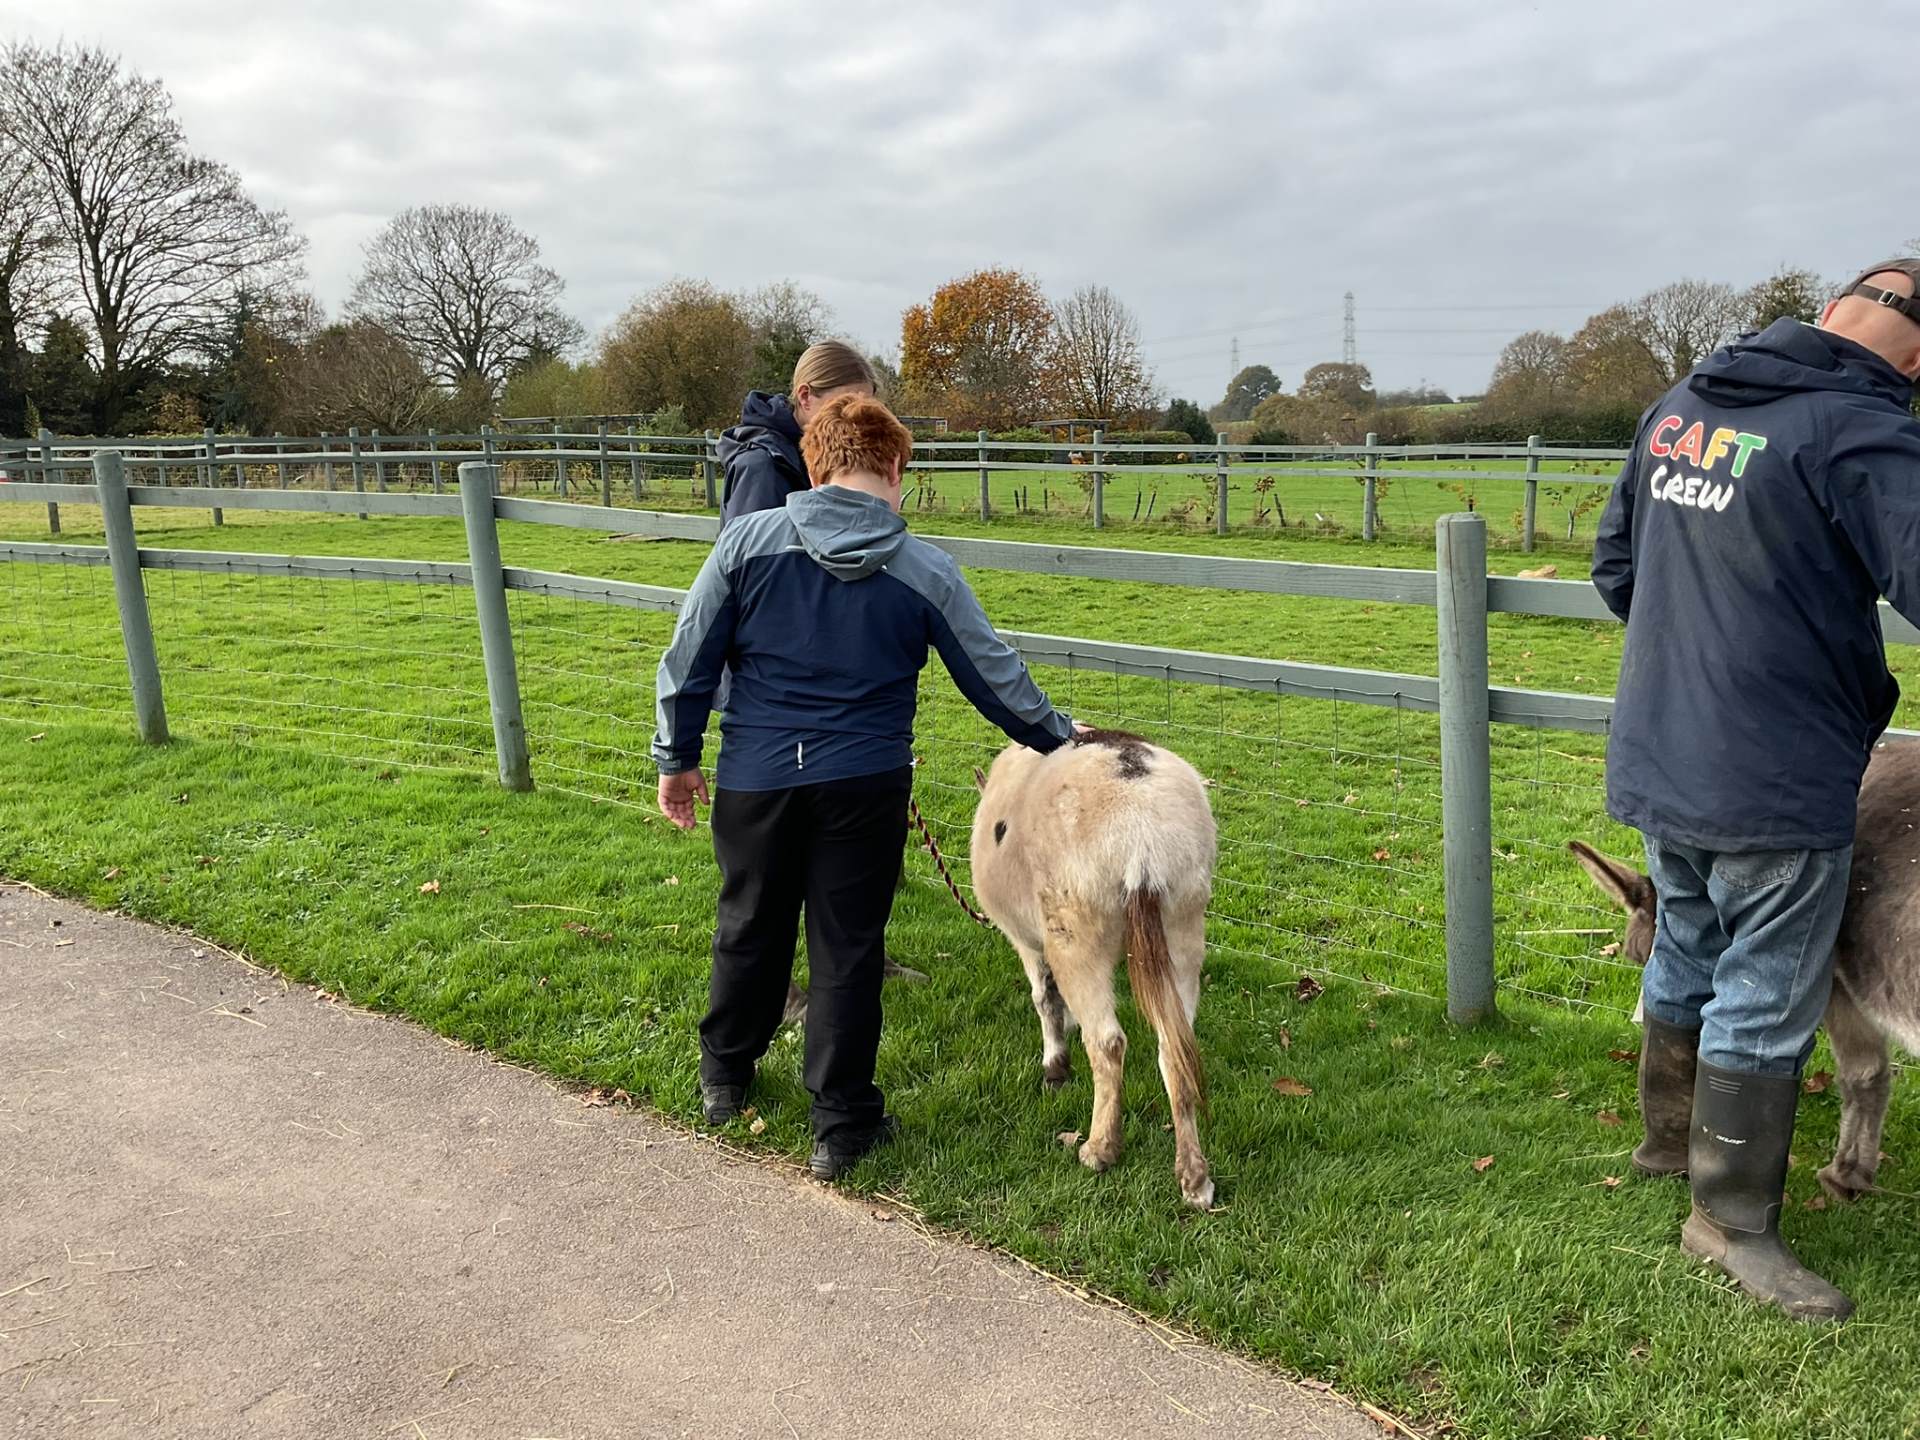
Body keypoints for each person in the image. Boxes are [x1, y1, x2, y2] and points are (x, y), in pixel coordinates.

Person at [1593, 259, 1920, 1322]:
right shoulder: (1859, 427)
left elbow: (1616, 568)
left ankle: (1666, 1143)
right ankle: (1730, 1222)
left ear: (1830, 313)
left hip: (1663, 750)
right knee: (1768, 988)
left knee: (1689, 941)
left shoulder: (1684, 404)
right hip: (1776, 768)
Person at [652, 395, 1077, 1180]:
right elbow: (995, 679)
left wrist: (676, 755)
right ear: (894, 468)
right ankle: (841, 1126)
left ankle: (724, 1077)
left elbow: (688, 657)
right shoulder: (923, 568)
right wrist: (1065, 740)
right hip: (863, 782)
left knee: (749, 921)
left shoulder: (746, 543)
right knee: (847, 945)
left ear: (814, 470)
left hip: (757, 775)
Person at [718, 341, 877, 527]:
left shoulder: (824, 455)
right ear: (805, 397)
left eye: (864, 410)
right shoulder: (763, 465)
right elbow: (752, 544)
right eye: (843, 406)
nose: (856, 422)